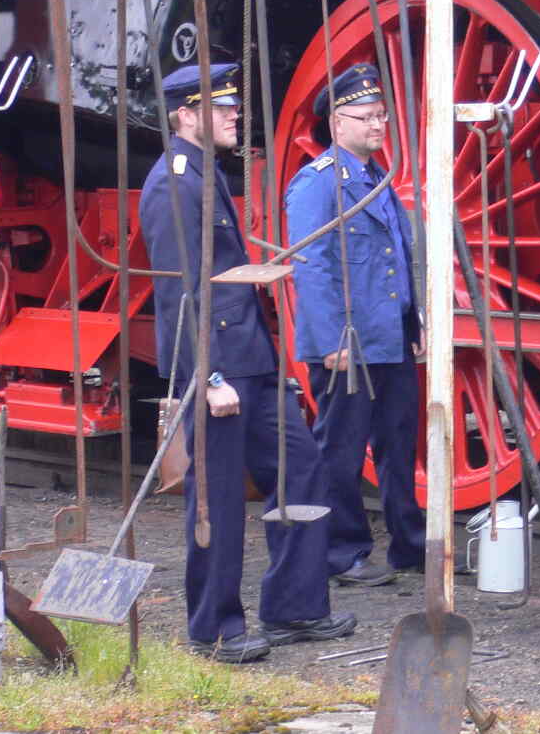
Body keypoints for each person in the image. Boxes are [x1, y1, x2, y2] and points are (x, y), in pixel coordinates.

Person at [139, 62, 357, 663]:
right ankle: (214, 629)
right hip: (219, 368)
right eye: (221, 105)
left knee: (302, 468)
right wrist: (207, 377)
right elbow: (179, 292)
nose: (235, 113)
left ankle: (294, 606)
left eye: (233, 104)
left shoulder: (205, 171)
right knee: (217, 500)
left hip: (251, 360)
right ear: (187, 114)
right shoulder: (173, 183)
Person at [284, 63, 426, 586]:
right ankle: (341, 554)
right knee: (340, 451)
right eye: (366, 117)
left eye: (381, 115)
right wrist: (330, 342)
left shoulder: (374, 177)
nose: (377, 125)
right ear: (337, 122)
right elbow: (312, 267)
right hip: (348, 342)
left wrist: (415, 321)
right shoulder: (318, 183)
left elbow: (399, 255)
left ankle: (409, 545)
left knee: (399, 444)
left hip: (389, 337)